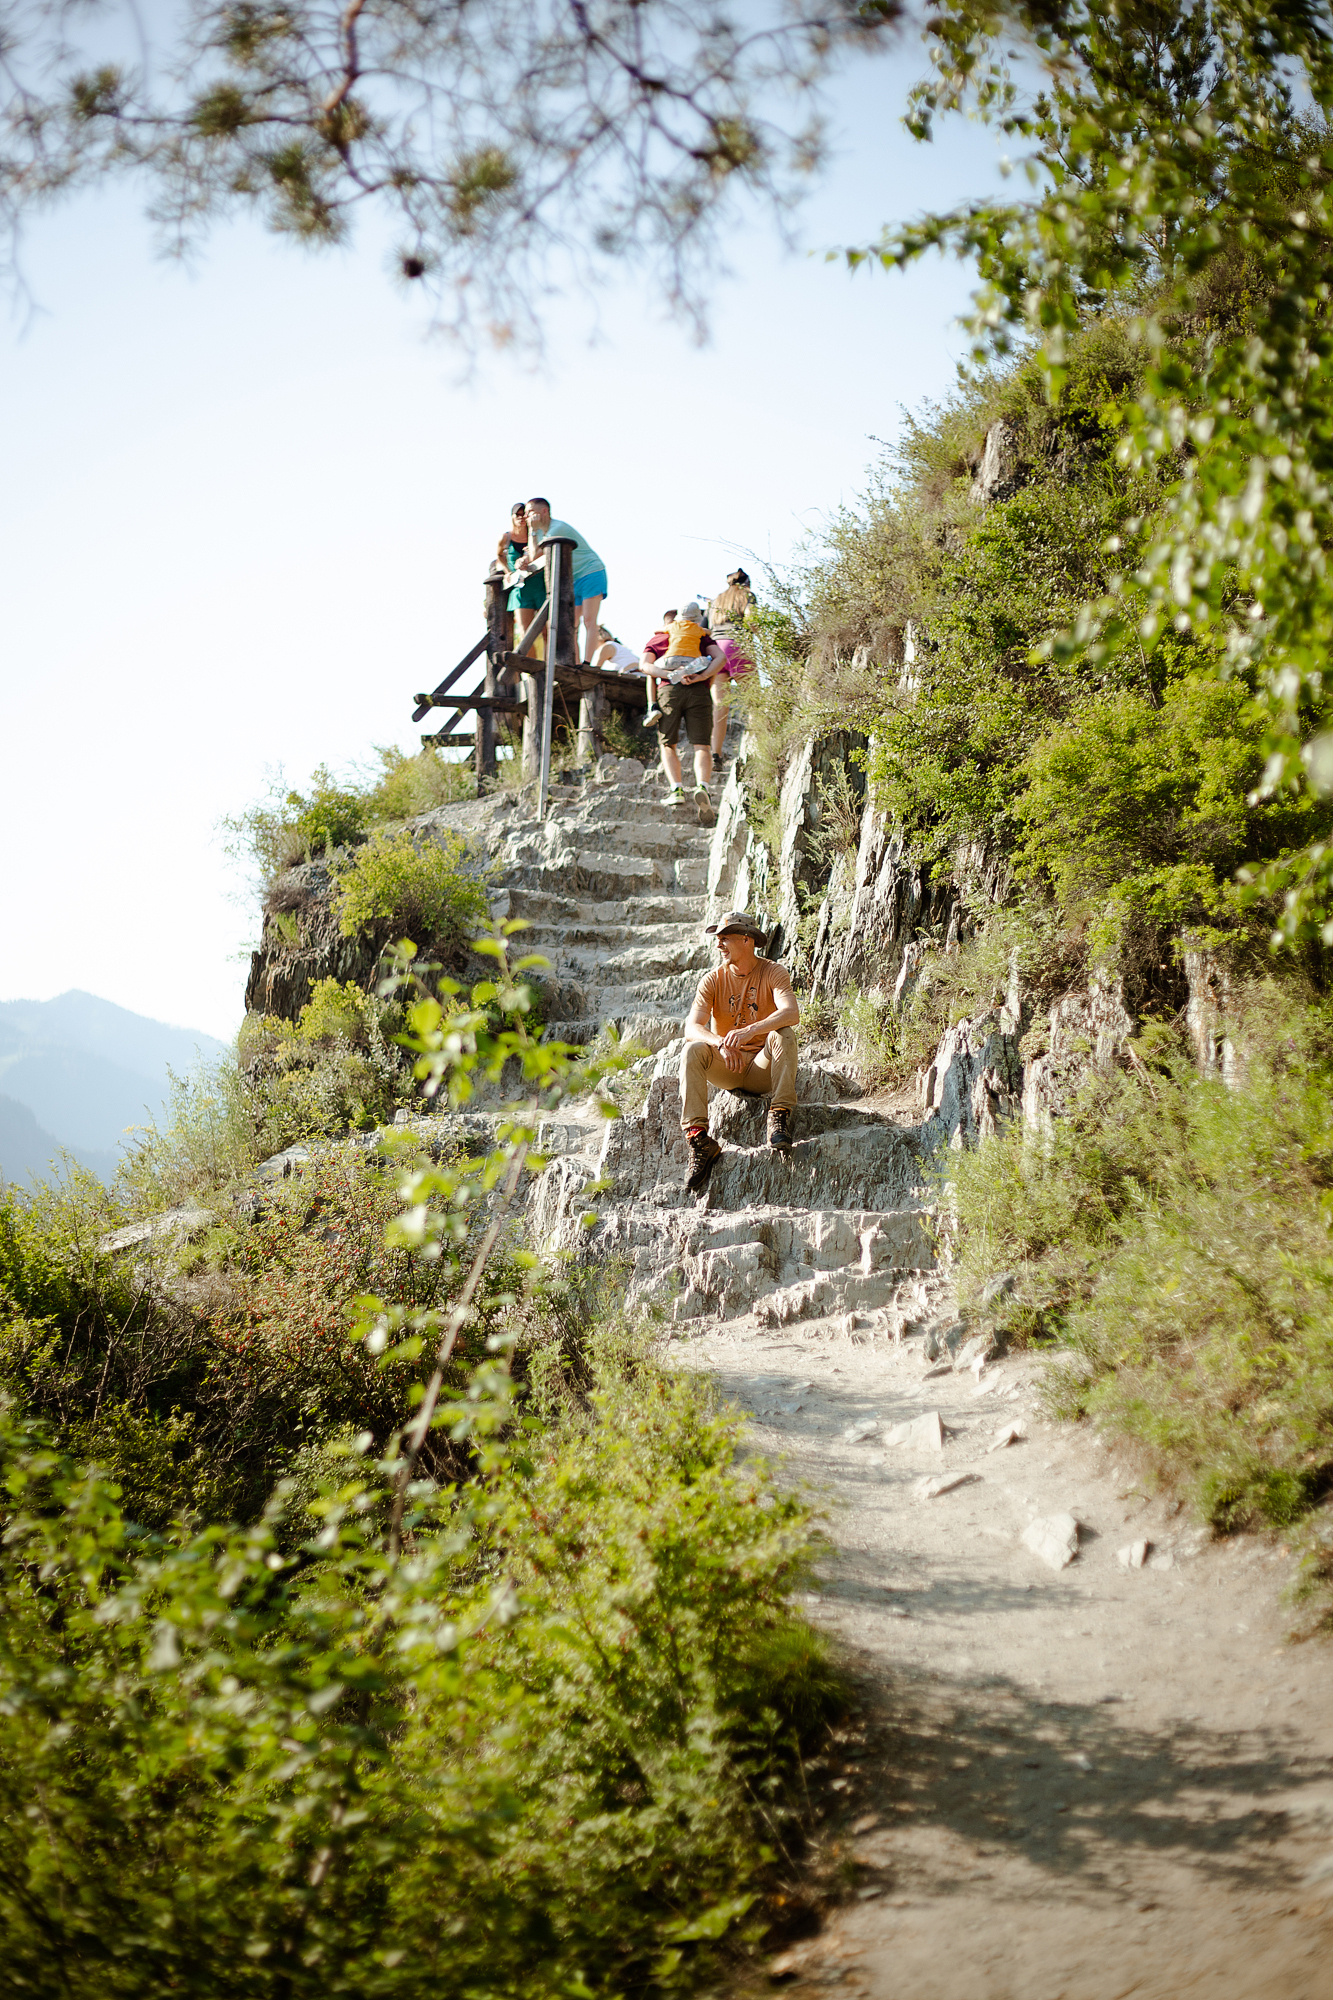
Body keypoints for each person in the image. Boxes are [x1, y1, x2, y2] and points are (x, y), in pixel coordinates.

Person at [680, 910, 800, 1191]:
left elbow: (791, 1013)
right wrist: (720, 1043)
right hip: (728, 1067)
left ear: (747, 940)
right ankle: (699, 1141)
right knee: (692, 1050)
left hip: (762, 1067)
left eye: (725, 938)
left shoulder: (773, 972)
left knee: (784, 1034)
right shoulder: (712, 980)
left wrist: (750, 1031)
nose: (718, 944)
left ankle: (779, 1114)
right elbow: (691, 1028)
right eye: (717, 939)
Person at [640, 601, 723, 821]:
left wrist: (668, 675)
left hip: (669, 691)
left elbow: (644, 666)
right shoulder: (701, 636)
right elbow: (720, 658)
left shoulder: (662, 636)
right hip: (698, 691)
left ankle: (676, 789)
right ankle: (702, 786)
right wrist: (702, 676)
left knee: (668, 744)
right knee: (702, 746)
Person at [520, 498, 608, 663]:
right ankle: (575, 663)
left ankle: (587, 663)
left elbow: (535, 555)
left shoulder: (557, 529)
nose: (526, 516)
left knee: (589, 620)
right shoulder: (540, 532)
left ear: (544, 511)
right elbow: (531, 555)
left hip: (591, 572)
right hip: (573, 579)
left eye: (530, 512)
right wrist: (524, 558)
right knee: (570, 624)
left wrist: (532, 532)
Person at [706, 568, 756, 760]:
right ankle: (756, 748)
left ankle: (715, 753)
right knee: (754, 702)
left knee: (720, 706)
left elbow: (707, 627)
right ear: (747, 583)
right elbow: (751, 618)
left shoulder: (716, 600)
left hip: (717, 651)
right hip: (738, 645)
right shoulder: (747, 595)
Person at [499, 502, 545, 650]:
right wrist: (508, 571)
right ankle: (530, 665)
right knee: (526, 633)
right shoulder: (506, 538)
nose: (521, 518)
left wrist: (527, 558)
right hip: (520, 589)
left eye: (523, 514)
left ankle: (548, 662)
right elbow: (499, 555)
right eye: (517, 515)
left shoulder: (536, 533)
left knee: (547, 630)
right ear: (512, 517)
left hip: (540, 584)